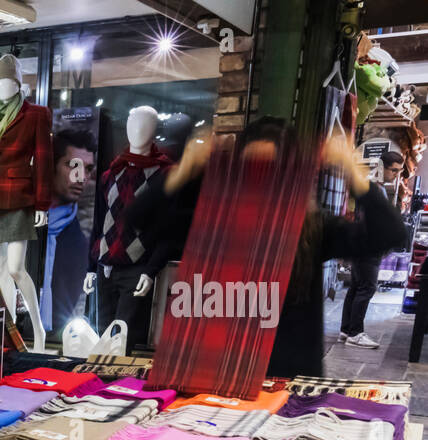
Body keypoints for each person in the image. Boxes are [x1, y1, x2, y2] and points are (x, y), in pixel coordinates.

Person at [143, 116, 404, 378]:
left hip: (285, 382)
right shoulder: (215, 223)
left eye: (272, 169)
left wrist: (353, 175)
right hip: (217, 373)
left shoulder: (311, 228)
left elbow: (390, 234)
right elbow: (141, 219)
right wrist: (185, 170)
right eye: (251, 167)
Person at [339, 149, 405, 348]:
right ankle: (355, 333)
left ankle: (347, 329)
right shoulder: (375, 189)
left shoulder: (370, 186)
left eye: (399, 171)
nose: (396, 175)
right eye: (394, 170)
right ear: (382, 167)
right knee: (366, 288)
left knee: (357, 287)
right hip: (368, 246)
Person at [40, 128, 95, 332]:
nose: (81, 178)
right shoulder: (25, 219)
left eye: (88, 169)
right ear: (51, 165)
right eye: (73, 165)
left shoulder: (76, 242)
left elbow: (60, 313)